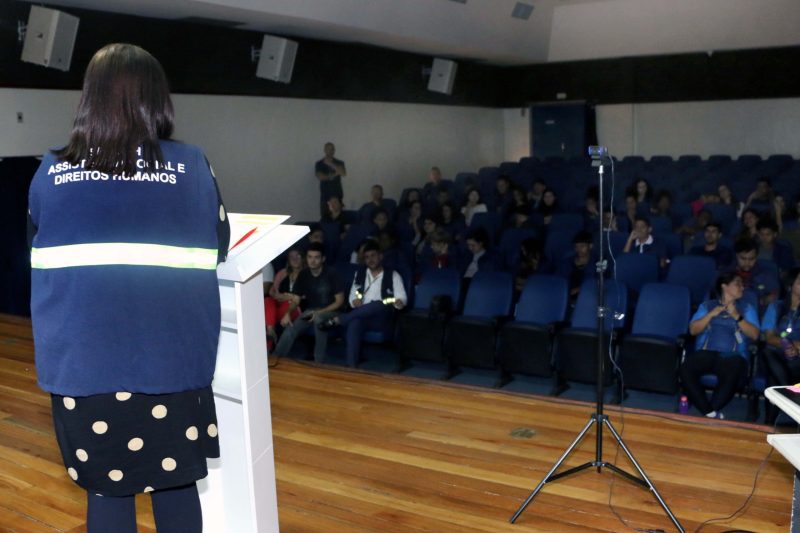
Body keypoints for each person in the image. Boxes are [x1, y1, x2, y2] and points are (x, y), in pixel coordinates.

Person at [27, 44, 229, 533]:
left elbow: (37, 244)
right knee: (177, 483)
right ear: (157, 100)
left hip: (84, 368)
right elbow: (218, 243)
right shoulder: (191, 166)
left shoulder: (50, 172)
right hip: (173, 362)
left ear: (88, 99)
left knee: (107, 486)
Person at [680, 273, 759, 419]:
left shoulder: (747, 308)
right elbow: (693, 330)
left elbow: (754, 335)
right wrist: (711, 314)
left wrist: (737, 316)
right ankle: (710, 413)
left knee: (732, 371)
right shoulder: (707, 306)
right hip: (707, 352)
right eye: (737, 284)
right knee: (686, 368)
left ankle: (709, 411)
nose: (742, 287)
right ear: (724, 286)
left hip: (733, 356)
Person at [320, 241, 407, 367]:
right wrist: (354, 301)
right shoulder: (360, 274)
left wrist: (399, 302)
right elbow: (352, 297)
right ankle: (351, 366)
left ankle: (340, 319)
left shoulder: (393, 275)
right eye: (367, 257)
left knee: (378, 304)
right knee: (355, 323)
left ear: (380, 256)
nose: (370, 259)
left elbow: (402, 298)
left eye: (373, 255)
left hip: (382, 318)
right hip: (362, 315)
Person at [273, 243, 345, 363]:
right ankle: (277, 357)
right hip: (311, 311)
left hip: (332, 311)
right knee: (291, 327)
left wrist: (319, 312)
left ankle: (318, 362)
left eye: (316, 257)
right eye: (310, 257)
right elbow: (296, 299)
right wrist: (288, 313)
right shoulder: (304, 274)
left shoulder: (332, 274)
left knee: (318, 319)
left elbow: (339, 302)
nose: (313, 261)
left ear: (323, 259)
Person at [762, 269, 800, 387]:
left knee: (774, 377)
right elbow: (769, 337)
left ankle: (783, 398)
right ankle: (787, 396)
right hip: (777, 353)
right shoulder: (776, 306)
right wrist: (787, 345)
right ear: (790, 286)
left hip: (798, 357)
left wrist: (795, 348)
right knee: (768, 353)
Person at [264, 248, 305, 349]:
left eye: (298, 256)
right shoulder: (283, 273)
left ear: (303, 258)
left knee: (269, 316)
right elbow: (272, 292)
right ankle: (270, 331)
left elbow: (306, 296)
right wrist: (279, 296)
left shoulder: (307, 274)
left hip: (295, 306)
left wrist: (288, 296)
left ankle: (269, 346)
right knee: (268, 301)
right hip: (279, 304)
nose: (295, 259)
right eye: (292, 257)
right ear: (288, 260)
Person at [728, 238, 780, 308]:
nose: (747, 263)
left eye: (751, 259)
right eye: (743, 258)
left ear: (756, 257)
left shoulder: (765, 273)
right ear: (736, 256)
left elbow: (775, 293)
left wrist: (765, 300)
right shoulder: (727, 273)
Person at [556, 231, 595, 301]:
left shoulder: (596, 263)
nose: (578, 249)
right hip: (565, 294)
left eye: (582, 246)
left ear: (590, 246)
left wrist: (578, 290)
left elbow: (595, 283)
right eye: (576, 247)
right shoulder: (567, 262)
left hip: (587, 295)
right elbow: (560, 280)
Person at [315, 142, 347, 217]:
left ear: (334, 150)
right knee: (325, 216)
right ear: (325, 150)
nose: (330, 151)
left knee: (339, 216)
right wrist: (334, 174)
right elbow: (321, 177)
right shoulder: (319, 163)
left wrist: (331, 164)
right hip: (326, 194)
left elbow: (343, 173)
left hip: (337, 193)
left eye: (332, 149)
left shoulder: (339, 162)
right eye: (328, 149)